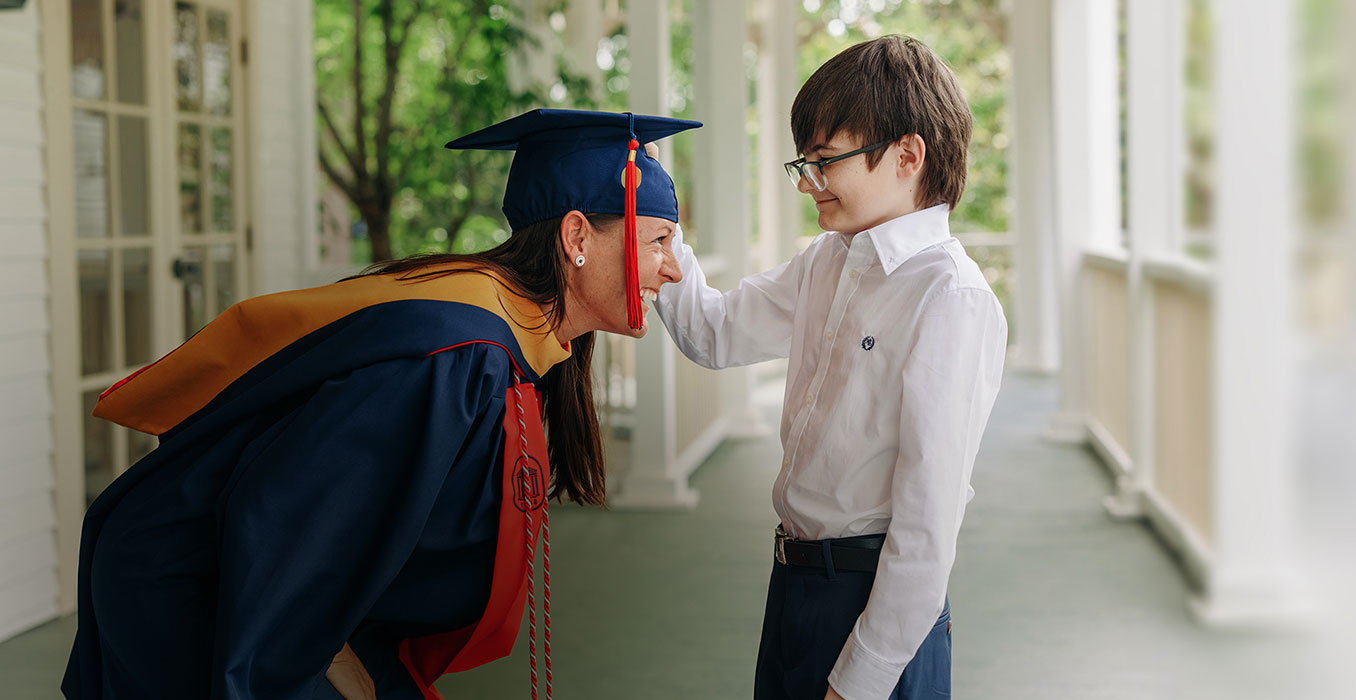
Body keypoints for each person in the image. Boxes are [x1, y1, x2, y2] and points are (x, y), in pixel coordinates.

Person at [61, 109, 696, 699]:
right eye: (659, 240)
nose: (673, 269)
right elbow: (283, 520)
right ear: (577, 235)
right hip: (200, 597)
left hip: (280, 596)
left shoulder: (509, 326)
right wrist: (332, 665)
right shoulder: (458, 358)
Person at [651, 35, 1006, 700]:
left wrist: (861, 680)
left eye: (825, 161)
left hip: (876, 606)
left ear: (907, 155)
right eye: (803, 165)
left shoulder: (949, 297)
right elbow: (714, 332)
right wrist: (655, 229)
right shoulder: (828, 260)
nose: (810, 183)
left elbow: (928, 522)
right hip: (795, 582)